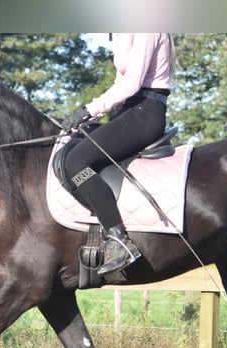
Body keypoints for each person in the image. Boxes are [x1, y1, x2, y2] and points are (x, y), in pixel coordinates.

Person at [61, 33, 174, 276]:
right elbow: (119, 85)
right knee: (73, 146)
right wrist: (89, 117)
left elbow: (132, 84)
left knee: (77, 163)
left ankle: (118, 239)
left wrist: (87, 110)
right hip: (128, 110)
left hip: (146, 112)